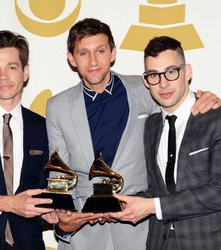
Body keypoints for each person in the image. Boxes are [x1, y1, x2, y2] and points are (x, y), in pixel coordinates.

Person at [45, 18, 220, 250]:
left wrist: (205, 97)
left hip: (140, 230)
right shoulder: (57, 106)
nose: (94, 61)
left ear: (113, 53)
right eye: (83, 53)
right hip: (84, 232)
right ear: (71, 59)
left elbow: (176, 96)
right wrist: (63, 215)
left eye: (100, 50)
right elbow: (60, 173)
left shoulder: (146, 87)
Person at [107, 36, 221, 250]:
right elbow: (159, 189)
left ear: (187, 72)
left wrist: (153, 206)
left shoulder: (215, 118)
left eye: (171, 72)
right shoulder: (150, 125)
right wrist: (127, 202)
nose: (163, 83)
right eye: (153, 75)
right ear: (145, 80)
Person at [0, 30, 55, 250]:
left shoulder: (42, 126)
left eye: (11, 67)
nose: (3, 77)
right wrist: (7, 203)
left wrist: (49, 212)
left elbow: (42, 188)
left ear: (25, 72)